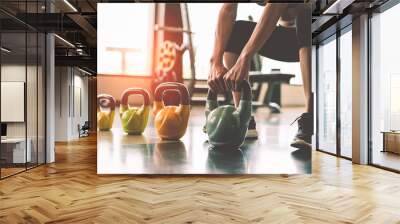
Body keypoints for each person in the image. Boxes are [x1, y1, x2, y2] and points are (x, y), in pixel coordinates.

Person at [207, 2, 313, 149]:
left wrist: (245, 58)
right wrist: (215, 61)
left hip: (314, 33)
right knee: (236, 31)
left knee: (305, 16)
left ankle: (310, 120)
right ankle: (243, 118)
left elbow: (276, 5)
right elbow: (228, 9)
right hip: (287, 39)